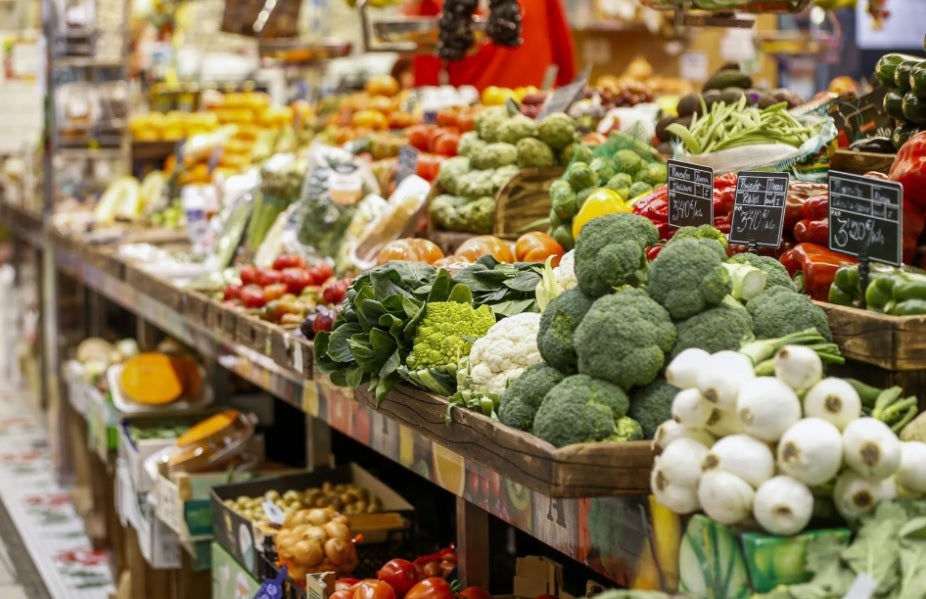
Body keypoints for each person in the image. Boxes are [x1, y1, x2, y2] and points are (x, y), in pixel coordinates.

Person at [403, 0, 577, 91]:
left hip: (540, 108)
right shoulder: (435, 3)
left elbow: (562, 50)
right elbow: (426, 71)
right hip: (473, 119)